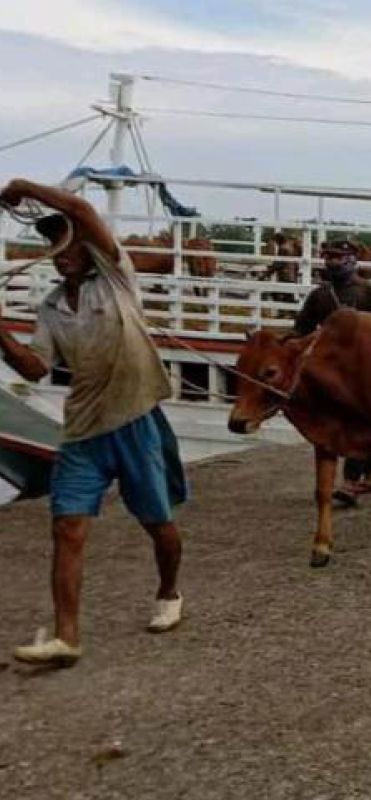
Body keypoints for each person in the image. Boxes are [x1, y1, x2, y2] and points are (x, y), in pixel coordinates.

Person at [0, 178, 187, 666]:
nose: (58, 251)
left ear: (87, 247)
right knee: (66, 526)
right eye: (51, 243)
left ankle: (169, 591)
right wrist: (0, 335)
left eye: (67, 241)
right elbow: (37, 367)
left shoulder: (117, 276)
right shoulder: (52, 308)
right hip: (84, 429)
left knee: (157, 522)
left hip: (135, 417)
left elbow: (80, 207)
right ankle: (66, 636)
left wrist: (23, 187)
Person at [294, 239, 371, 504]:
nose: (332, 262)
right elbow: (301, 329)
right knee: (345, 421)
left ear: (351, 259)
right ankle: (369, 474)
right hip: (332, 370)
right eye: (329, 257)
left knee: (355, 421)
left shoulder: (369, 292)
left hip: (364, 370)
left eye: (338, 257)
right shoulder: (319, 295)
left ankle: (351, 481)